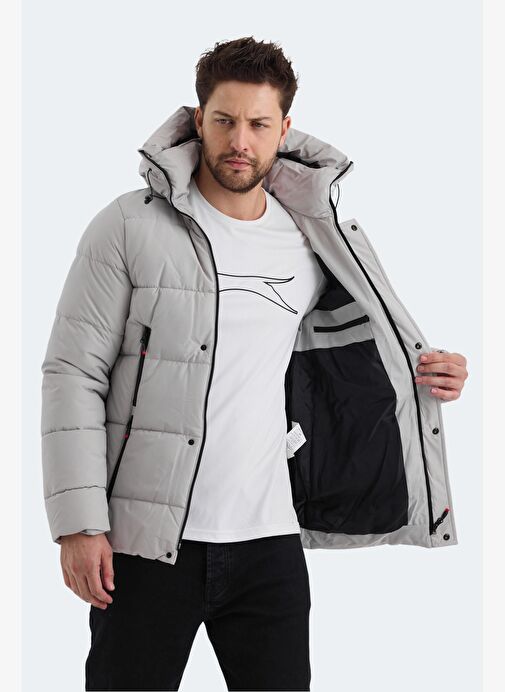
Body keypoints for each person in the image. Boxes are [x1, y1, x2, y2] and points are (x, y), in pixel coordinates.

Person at [40, 36, 468, 691]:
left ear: (284, 129)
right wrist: (78, 525)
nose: (240, 141)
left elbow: (359, 353)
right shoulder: (128, 225)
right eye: (225, 120)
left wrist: (433, 371)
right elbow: (73, 374)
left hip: (270, 543)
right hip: (145, 543)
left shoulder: (314, 238)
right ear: (198, 120)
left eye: (259, 124)